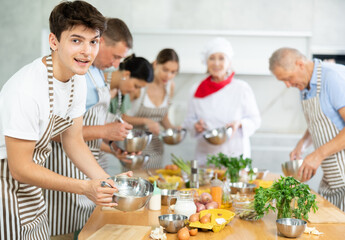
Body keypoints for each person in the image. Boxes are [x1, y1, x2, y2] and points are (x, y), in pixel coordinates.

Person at [0, 1, 131, 239]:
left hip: (32, 191)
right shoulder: (26, 90)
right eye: (76, 40)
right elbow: (19, 169)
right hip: (5, 191)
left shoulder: (76, 79)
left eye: (93, 41)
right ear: (54, 41)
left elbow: (74, 141)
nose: (87, 51)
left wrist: (107, 182)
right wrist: (84, 187)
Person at [44, 18, 134, 237]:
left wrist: (110, 147)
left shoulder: (96, 75)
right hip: (64, 167)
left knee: (83, 230)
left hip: (85, 169)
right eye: (115, 57)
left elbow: (80, 134)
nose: (116, 65)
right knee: (63, 230)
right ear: (100, 42)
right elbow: (57, 133)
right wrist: (105, 131)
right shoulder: (73, 76)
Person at [269, 47, 345, 211]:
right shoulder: (304, 85)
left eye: (288, 78)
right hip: (333, 178)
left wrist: (318, 154)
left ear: (300, 64)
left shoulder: (332, 78)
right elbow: (321, 119)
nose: (288, 85)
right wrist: (302, 143)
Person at [183, 37, 261, 165]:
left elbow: (255, 120)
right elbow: (188, 121)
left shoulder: (242, 88)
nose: (216, 63)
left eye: (221, 58)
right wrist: (195, 126)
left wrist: (239, 124)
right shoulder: (196, 90)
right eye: (212, 58)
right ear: (206, 62)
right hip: (206, 155)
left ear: (229, 62)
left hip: (235, 155)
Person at [122, 49, 180, 168]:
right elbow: (122, 117)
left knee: (155, 184)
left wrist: (173, 130)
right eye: (165, 69)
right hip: (135, 151)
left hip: (156, 150)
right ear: (155, 64)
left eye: (173, 72)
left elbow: (163, 116)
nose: (168, 76)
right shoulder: (140, 85)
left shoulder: (170, 87)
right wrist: (146, 121)